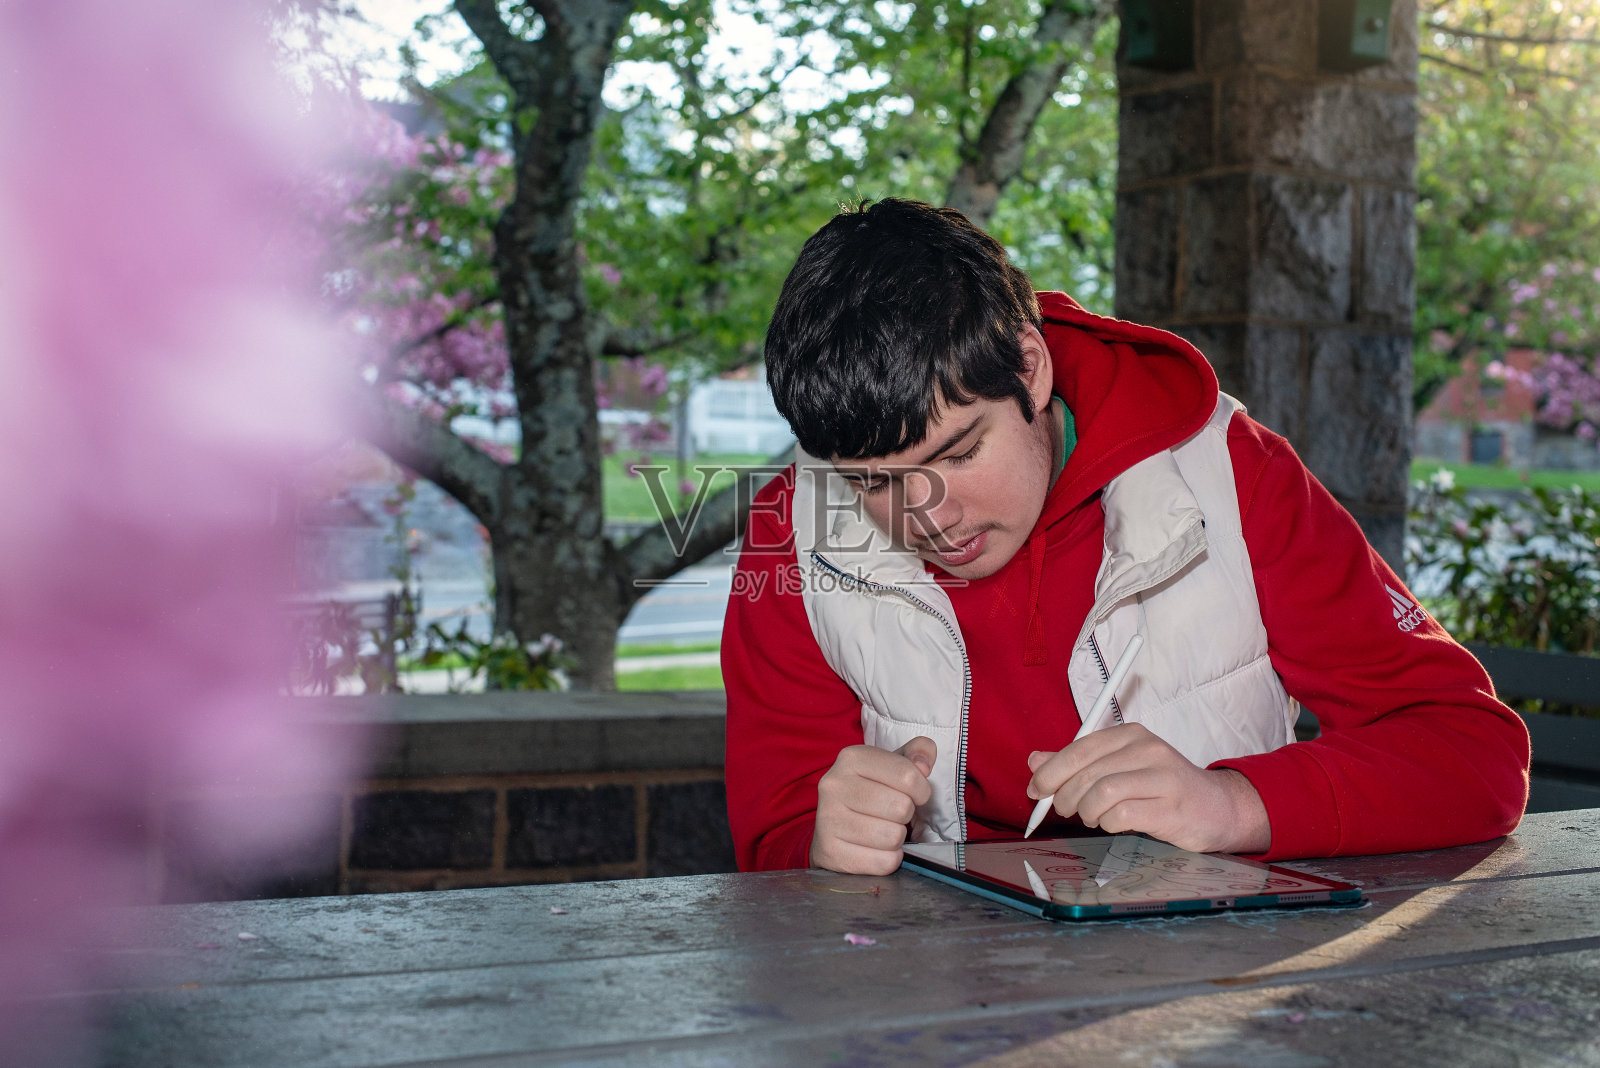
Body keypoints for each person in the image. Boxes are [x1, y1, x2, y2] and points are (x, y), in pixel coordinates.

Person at [722, 197, 1530, 876]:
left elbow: (1474, 755)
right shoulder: (791, 530)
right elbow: (777, 835)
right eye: (872, 483)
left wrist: (1235, 804)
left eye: (959, 452)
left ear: (1029, 367)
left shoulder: (1228, 470)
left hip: (1206, 987)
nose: (929, 516)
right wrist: (821, 849)